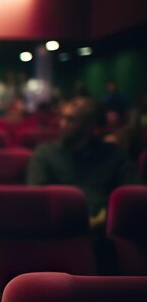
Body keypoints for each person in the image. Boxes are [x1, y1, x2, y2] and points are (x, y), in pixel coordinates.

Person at [27, 96, 139, 230]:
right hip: (56, 231)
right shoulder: (45, 153)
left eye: (70, 120)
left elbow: (135, 195)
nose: (62, 124)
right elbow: (36, 200)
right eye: (62, 118)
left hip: (105, 232)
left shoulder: (114, 155)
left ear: (90, 125)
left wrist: (109, 216)